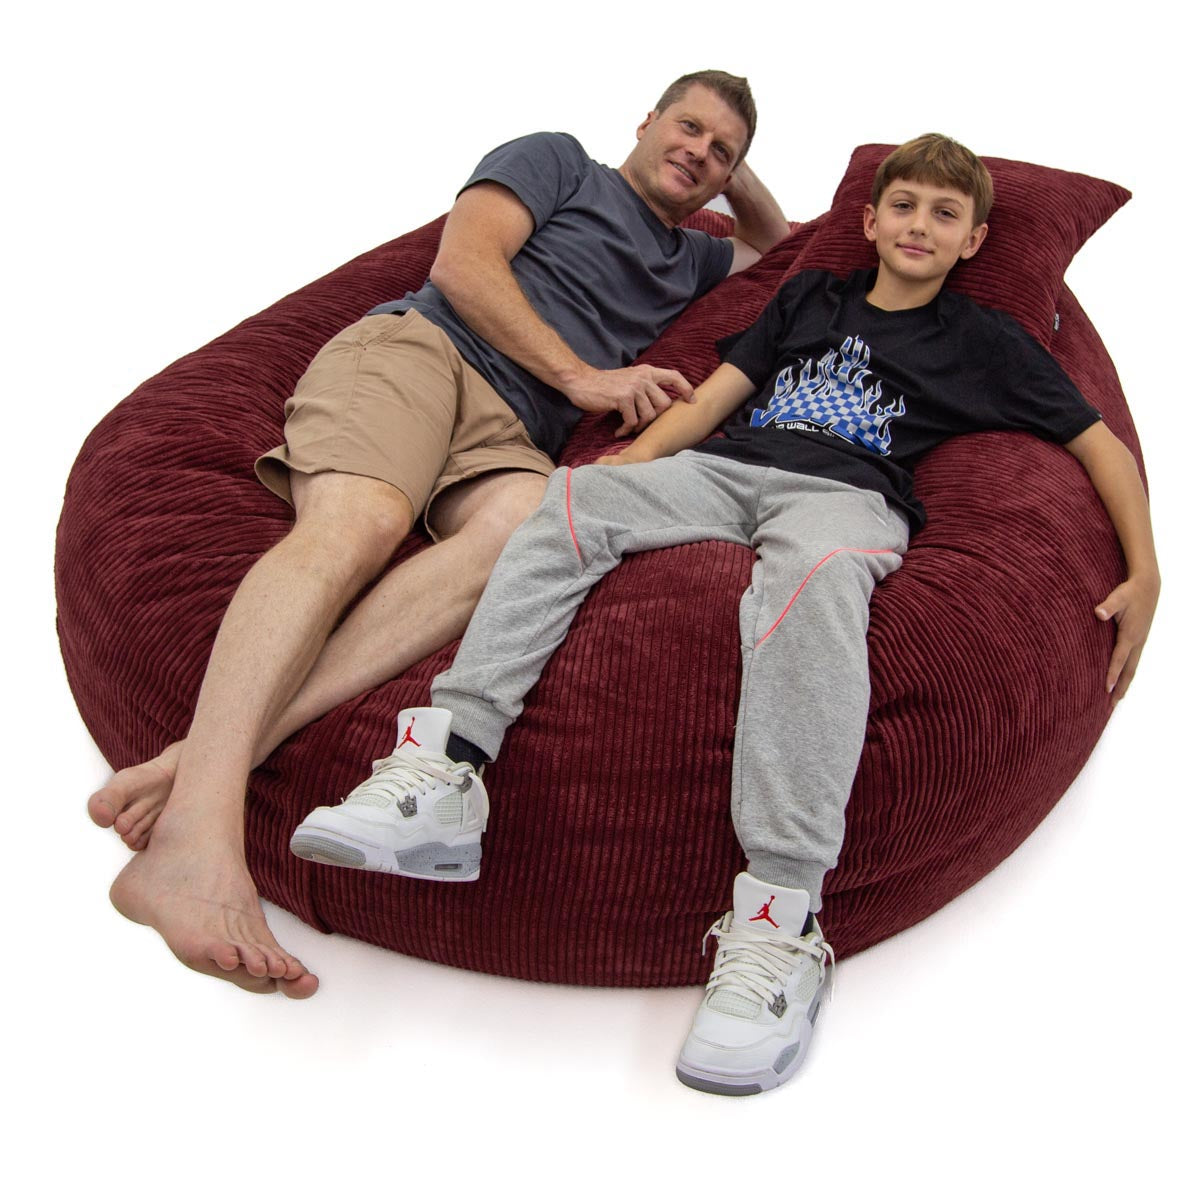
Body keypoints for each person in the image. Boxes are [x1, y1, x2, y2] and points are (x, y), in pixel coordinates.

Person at [291, 134, 1159, 1091]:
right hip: (730, 470)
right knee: (569, 503)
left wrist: (1149, 567)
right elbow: (715, 402)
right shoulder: (810, 298)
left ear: (973, 240)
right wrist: (627, 466)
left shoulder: (984, 340)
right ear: (866, 224)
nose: (919, 225)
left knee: (814, 585)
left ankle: (780, 921)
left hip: (845, 501)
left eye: (944, 215)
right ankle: (447, 767)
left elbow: (1102, 448)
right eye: (903, 206)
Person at [86, 71, 792, 998]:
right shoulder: (558, 162)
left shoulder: (694, 262)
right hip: (425, 353)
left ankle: (195, 762)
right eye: (687, 127)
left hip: (508, 437)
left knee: (533, 529)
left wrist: (732, 173)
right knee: (362, 525)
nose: (698, 151)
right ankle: (196, 841)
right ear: (645, 120)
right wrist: (585, 379)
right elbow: (465, 267)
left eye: (721, 150)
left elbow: (782, 251)